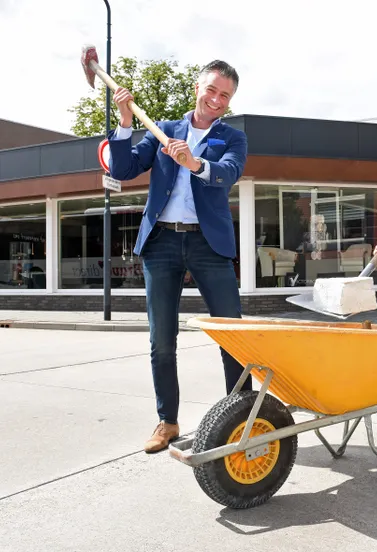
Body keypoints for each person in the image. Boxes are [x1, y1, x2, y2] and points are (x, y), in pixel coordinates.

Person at [107, 60, 250, 453]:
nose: (217, 100)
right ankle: (167, 422)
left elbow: (227, 172)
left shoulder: (233, 139)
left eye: (225, 95)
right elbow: (122, 167)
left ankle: (244, 421)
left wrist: (195, 163)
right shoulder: (164, 130)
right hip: (162, 244)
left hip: (209, 244)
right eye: (212, 90)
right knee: (161, 340)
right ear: (197, 87)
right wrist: (123, 121)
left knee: (233, 337)